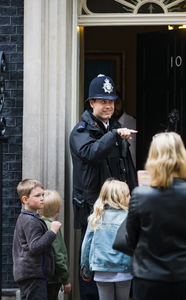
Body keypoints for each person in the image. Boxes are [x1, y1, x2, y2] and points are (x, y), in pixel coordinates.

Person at [70, 74, 138, 300]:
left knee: (120, 258)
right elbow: (92, 153)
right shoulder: (80, 132)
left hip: (119, 209)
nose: (108, 106)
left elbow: (126, 167)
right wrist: (114, 135)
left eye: (111, 101)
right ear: (91, 104)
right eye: (103, 101)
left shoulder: (116, 129)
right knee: (92, 260)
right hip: (94, 210)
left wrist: (135, 198)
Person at [126, 132, 186, 300]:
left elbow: (131, 240)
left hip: (149, 279)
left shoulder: (140, 195)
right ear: (182, 156)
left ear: (153, 157)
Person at [80, 179, 133, 300]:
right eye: (128, 195)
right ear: (118, 198)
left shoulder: (96, 217)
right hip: (124, 270)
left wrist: (86, 269)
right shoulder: (130, 217)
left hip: (101, 270)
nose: (130, 198)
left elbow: (86, 245)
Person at [12, 179, 62, 300]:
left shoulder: (27, 218)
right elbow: (35, 246)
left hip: (28, 273)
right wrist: (52, 232)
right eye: (37, 195)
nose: (42, 198)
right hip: (33, 274)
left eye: (43, 195)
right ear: (25, 200)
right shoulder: (30, 221)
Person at [39, 190, 72, 300]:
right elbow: (58, 255)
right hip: (53, 278)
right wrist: (66, 280)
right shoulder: (54, 228)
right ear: (59, 209)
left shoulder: (38, 225)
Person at [112, 91, 137, 167]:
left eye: (117, 103)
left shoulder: (134, 123)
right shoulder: (106, 125)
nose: (115, 107)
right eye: (112, 103)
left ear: (123, 103)